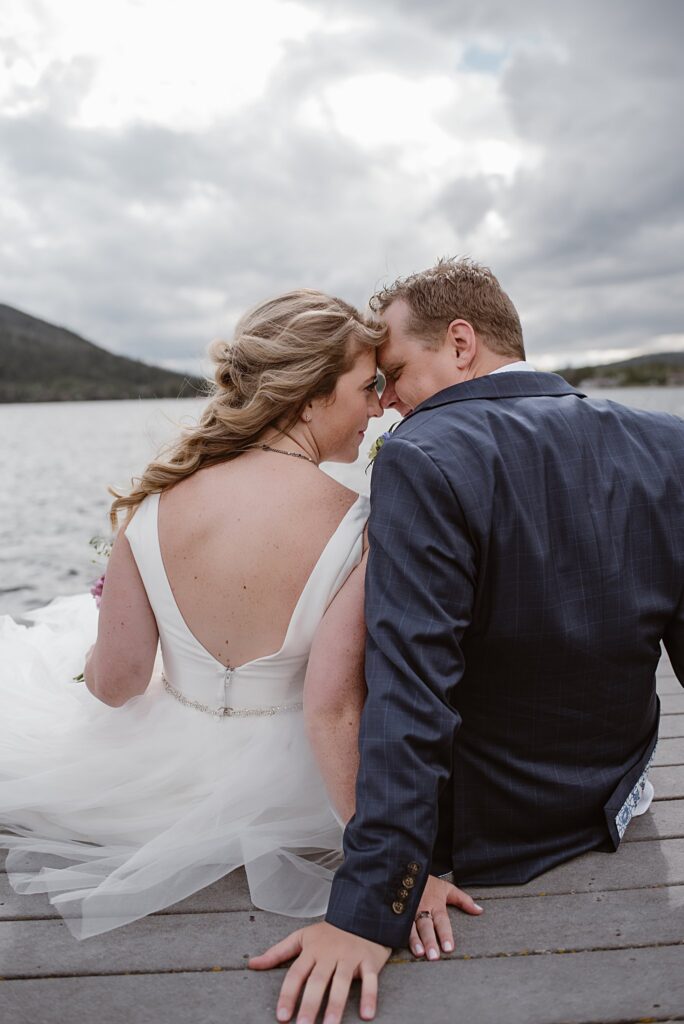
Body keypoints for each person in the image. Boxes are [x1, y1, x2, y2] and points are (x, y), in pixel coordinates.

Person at [252, 258, 684, 1024]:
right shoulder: (668, 442)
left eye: (392, 374)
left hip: (486, 834)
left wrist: (368, 906)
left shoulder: (423, 456)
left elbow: (412, 691)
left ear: (459, 343)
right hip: (616, 797)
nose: (386, 406)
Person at [0, 289, 384, 938]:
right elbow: (341, 702)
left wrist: (111, 667)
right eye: (366, 386)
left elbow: (117, 684)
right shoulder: (360, 525)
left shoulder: (154, 504)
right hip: (300, 794)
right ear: (313, 395)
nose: (377, 406)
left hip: (153, 788)